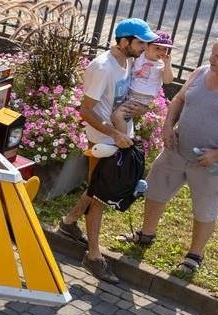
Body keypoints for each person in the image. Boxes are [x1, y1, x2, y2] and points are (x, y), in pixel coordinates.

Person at [127, 34, 218, 273]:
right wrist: (168, 125)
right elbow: (179, 99)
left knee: (205, 207)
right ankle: (146, 234)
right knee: (156, 191)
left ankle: (194, 255)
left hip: (209, 161)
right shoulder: (200, 72)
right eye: (212, 53)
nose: (211, 58)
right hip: (176, 149)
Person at [57, 18, 157, 283]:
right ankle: (93, 256)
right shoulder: (102, 67)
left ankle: (69, 222)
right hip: (104, 141)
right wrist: (114, 133)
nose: (144, 48)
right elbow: (85, 110)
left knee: (96, 189)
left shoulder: (128, 61)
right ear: (124, 41)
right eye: (140, 42)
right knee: (100, 195)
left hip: (119, 137)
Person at [111, 30, 174, 135]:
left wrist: (168, 64)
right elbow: (125, 52)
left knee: (117, 116)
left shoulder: (161, 65)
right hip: (129, 93)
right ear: (147, 46)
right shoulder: (140, 55)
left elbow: (168, 80)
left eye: (165, 49)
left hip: (142, 98)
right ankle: (122, 138)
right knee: (117, 115)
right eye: (157, 48)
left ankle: (123, 142)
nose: (161, 52)